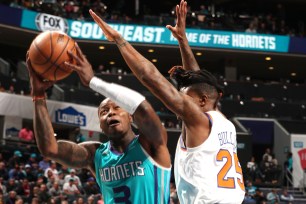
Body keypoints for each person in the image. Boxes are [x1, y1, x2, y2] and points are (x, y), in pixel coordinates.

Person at [89, 0, 245, 203]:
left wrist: (120, 41)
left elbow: (150, 77)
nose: (180, 100)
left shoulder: (198, 120)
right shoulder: (222, 120)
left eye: (185, 97)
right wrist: (182, 41)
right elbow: (198, 80)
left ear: (202, 100)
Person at [26, 41, 171, 203]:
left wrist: (93, 82)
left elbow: (143, 109)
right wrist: (38, 96)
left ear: (130, 116)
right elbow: (50, 149)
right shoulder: (94, 154)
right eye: (104, 111)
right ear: (101, 125)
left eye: (118, 107)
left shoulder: (150, 143)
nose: (111, 112)